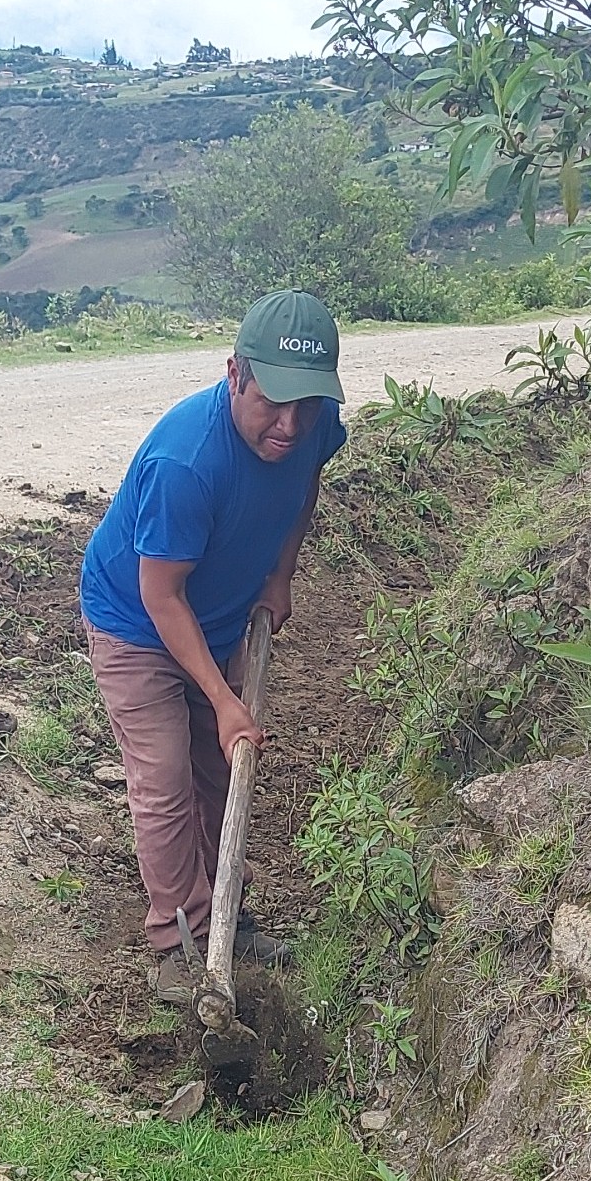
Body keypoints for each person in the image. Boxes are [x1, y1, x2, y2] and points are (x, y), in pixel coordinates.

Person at [79, 289, 350, 1000]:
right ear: (234, 374)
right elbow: (161, 597)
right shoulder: (186, 461)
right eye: (272, 403)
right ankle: (178, 944)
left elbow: (305, 483)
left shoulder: (313, 425)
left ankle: (227, 916)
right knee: (165, 780)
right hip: (137, 624)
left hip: (222, 613)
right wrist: (224, 699)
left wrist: (280, 577)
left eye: (306, 406)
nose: (289, 426)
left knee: (217, 772)